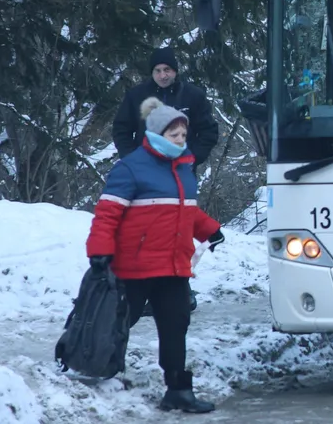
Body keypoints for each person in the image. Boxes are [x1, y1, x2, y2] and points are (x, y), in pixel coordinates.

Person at [86, 97, 226, 414]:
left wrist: (209, 230)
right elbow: (107, 214)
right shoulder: (131, 168)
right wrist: (100, 252)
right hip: (135, 266)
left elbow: (185, 211)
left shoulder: (184, 169)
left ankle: (178, 390)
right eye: (174, 135)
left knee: (176, 324)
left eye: (182, 135)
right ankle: (95, 366)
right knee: (121, 321)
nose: (180, 140)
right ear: (157, 135)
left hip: (173, 266)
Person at [112, 47, 219, 170]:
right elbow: (121, 129)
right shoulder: (136, 96)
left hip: (181, 170)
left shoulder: (193, 95)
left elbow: (209, 131)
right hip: (144, 169)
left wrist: (193, 157)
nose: (162, 75)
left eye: (167, 70)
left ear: (175, 71)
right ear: (152, 72)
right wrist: (132, 157)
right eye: (158, 71)